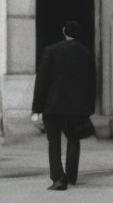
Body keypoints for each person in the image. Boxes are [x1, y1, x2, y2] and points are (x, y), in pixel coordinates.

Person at [31, 20, 96, 190]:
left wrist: (36, 109)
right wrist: (89, 108)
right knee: (74, 139)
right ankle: (72, 175)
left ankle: (59, 178)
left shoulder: (51, 52)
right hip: (76, 108)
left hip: (53, 107)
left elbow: (42, 82)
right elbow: (91, 84)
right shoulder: (86, 54)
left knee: (54, 141)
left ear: (64, 32)